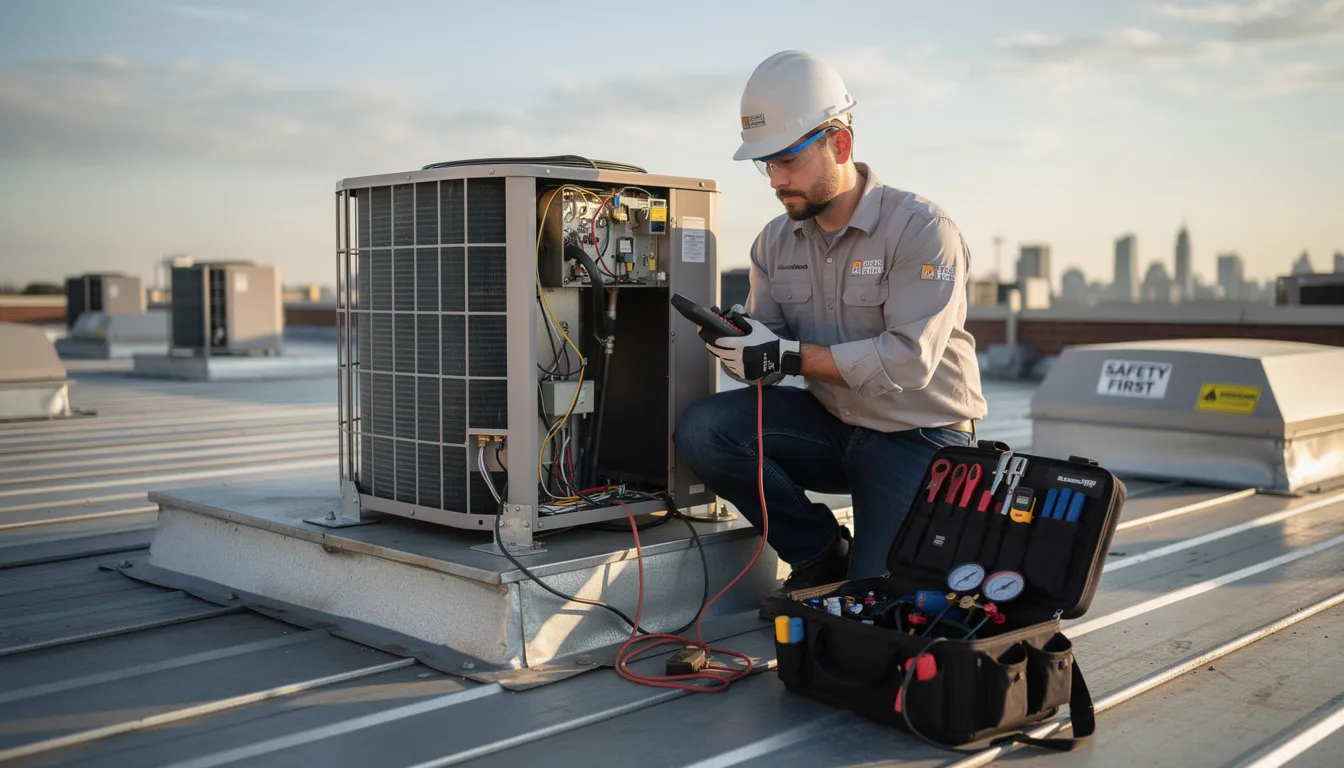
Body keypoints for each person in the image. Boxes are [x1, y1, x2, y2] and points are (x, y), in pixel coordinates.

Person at [673, 50, 987, 602]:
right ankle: (820, 551)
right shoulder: (774, 241)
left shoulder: (922, 230)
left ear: (839, 144)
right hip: (832, 425)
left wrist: (788, 356)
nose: (775, 179)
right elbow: (767, 362)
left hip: (919, 438)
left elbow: (909, 362)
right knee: (704, 429)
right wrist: (742, 346)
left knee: (871, 604)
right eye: (764, 164)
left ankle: (862, 570)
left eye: (786, 160)